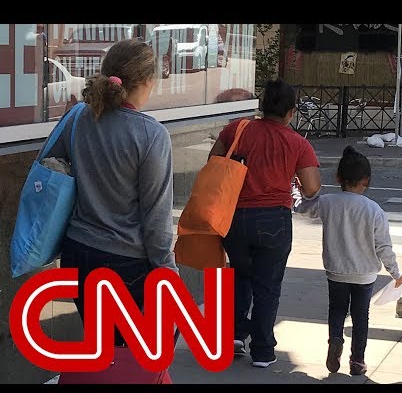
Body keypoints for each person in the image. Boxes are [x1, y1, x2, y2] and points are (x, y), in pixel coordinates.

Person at [50, 38, 178, 347]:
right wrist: (168, 273)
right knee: (131, 355)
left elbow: (51, 167)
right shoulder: (151, 135)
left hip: (77, 253)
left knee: (104, 348)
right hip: (125, 263)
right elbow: (157, 218)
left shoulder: (78, 118)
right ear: (147, 81)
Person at [208, 78, 321, 368]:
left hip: (234, 217)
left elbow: (214, 162)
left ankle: (234, 336)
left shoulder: (237, 129)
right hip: (274, 219)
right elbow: (311, 188)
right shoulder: (298, 143)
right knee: (267, 285)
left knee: (239, 275)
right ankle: (262, 350)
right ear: (291, 112)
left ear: (261, 105)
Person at [293, 145, 402, 375]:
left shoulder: (328, 202)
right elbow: (383, 247)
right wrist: (395, 273)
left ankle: (335, 340)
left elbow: (302, 208)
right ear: (366, 181)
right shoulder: (374, 210)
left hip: (336, 271)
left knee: (337, 310)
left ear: (338, 177)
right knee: (360, 316)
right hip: (365, 274)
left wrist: (295, 190)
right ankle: (357, 360)